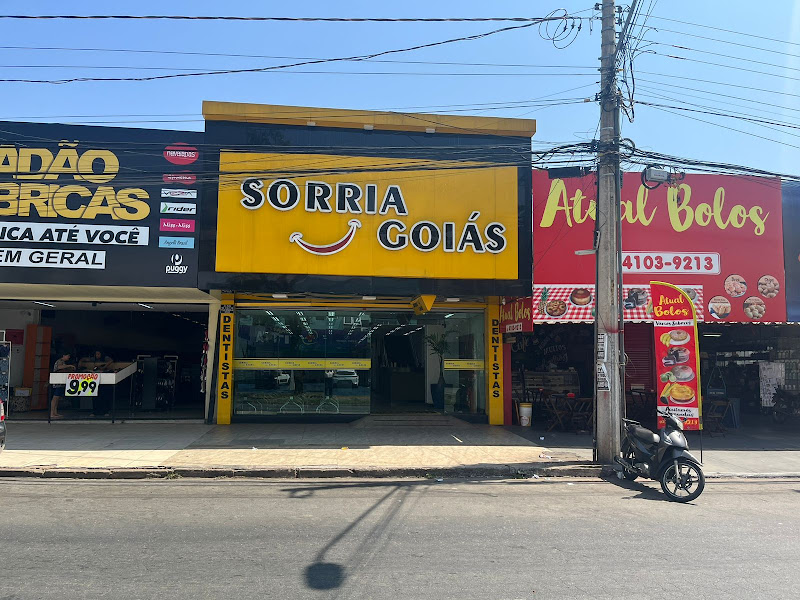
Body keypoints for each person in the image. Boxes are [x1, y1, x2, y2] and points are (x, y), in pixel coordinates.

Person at [80, 349, 114, 417]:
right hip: (95, 381)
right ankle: (95, 411)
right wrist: (80, 361)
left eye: (99, 354)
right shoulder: (93, 359)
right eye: (96, 354)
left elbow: (111, 360)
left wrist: (104, 366)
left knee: (104, 396)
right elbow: (85, 359)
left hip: (104, 381)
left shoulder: (105, 358)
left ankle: (105, 411)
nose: (97, 355)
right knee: (95, 396)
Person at [51, 352, 75, 419]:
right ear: (64, 355)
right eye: (68, 356)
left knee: (57, 398)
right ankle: (52, 413)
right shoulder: (59, 361)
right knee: (55, 397)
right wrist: (69, 366)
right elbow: (59, 367)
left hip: (61, 382)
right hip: (57, 381)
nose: (68, 357)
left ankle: (55, 412)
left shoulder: (63, 362)